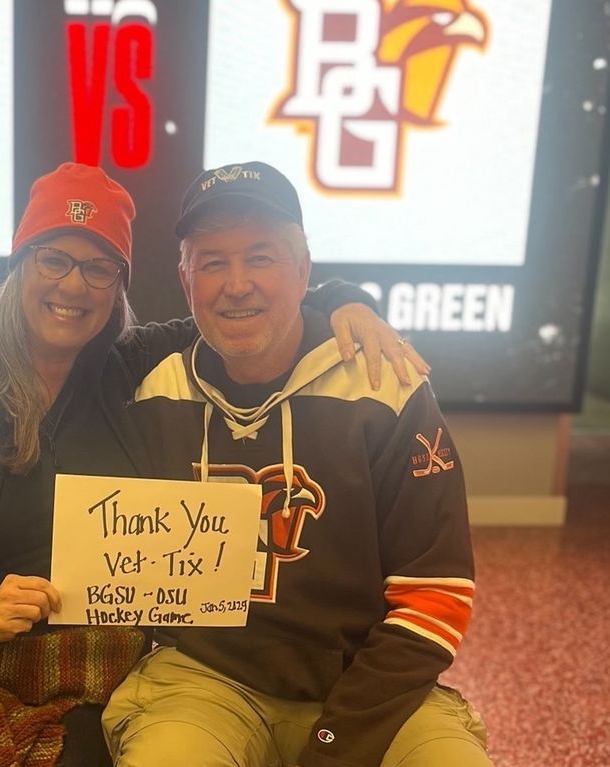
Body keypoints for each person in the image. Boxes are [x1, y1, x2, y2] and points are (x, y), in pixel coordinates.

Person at [0, 162, 422, 767]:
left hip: (87, 661)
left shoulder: (131, 367)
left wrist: (348, 302)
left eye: (99, 268)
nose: (74, 285)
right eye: (54, 259)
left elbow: (247, 305)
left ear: (118, 287)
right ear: (20, 265)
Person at [102, 161, 490, 767]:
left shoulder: (384, 385)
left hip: (368, 685)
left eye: (261, 258)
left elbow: (436, 594)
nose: (236, 284)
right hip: (204, 680)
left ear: (304, 270)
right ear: (185, 279)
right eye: (212, 263)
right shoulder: (151, 390)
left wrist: (335, 743)